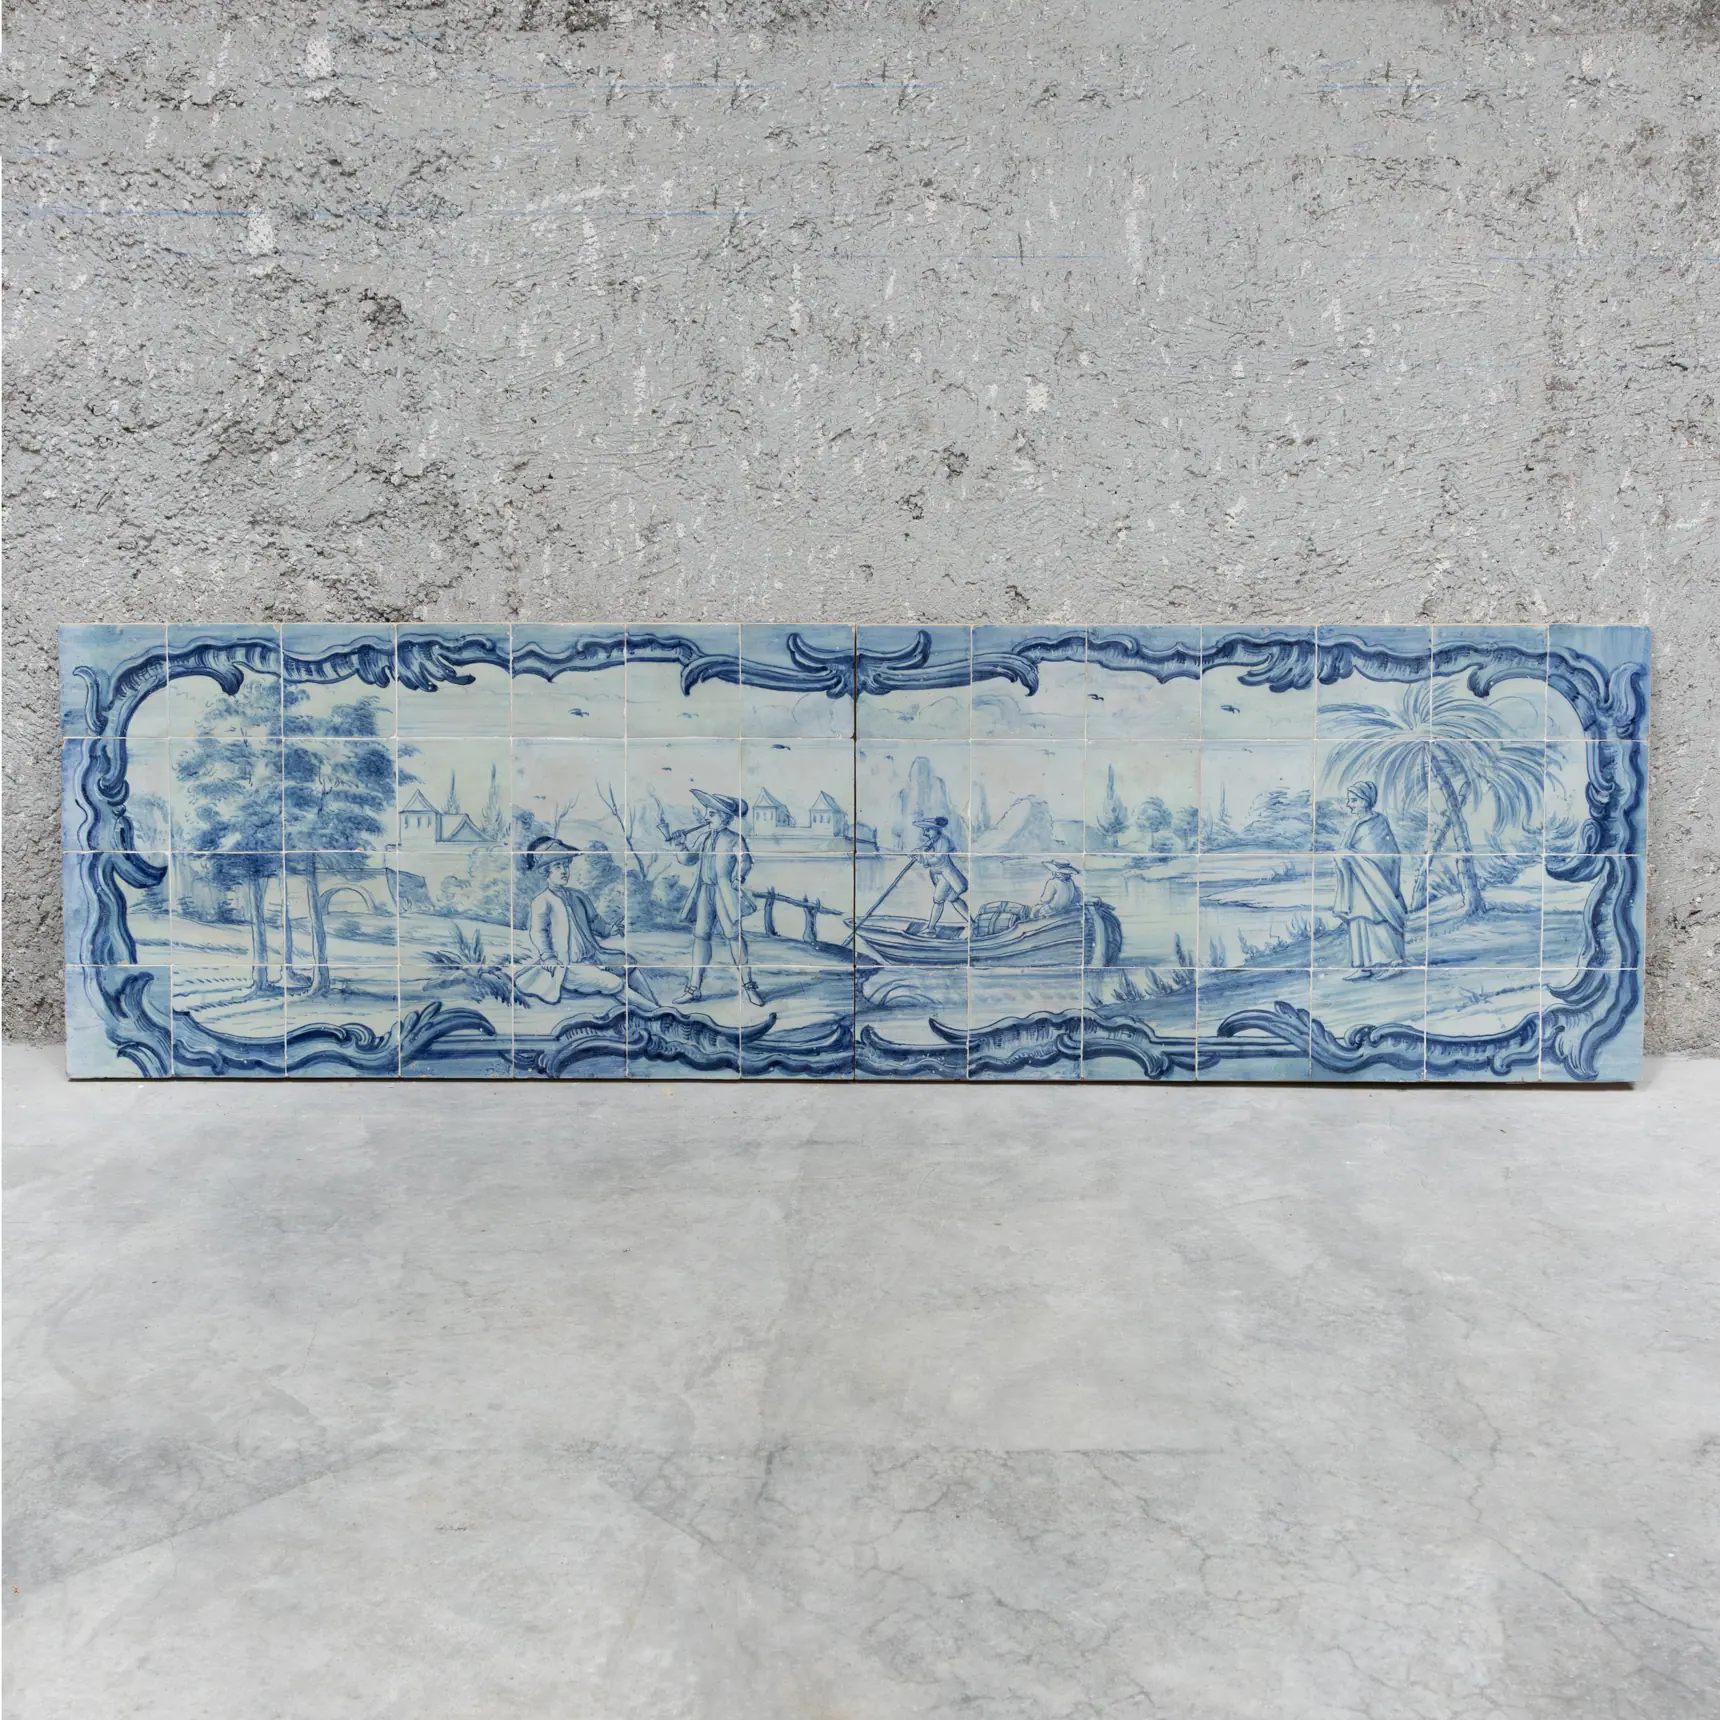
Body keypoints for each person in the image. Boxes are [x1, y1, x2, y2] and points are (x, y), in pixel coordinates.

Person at [514, 837, 654, 1006]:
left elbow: (594, 921)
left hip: (594, 956)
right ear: (546, 872)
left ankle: (658, 1007)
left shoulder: (578, 895)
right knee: (614, 983)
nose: (564, 871)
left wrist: (609, 930)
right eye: (557, 867)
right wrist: (548, 957)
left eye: (565, 865)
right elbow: (538, 932)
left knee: (628, 963)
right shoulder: (542, 900)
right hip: (568, 966)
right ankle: (653, 1012)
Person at [670, 790, 764, 1006]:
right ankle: (693, 989)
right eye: (707, 813)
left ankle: (749, 988)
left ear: (725, 817)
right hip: (705, 892)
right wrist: (680, 844)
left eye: (711, 814)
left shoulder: (734, 839)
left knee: (734, 937)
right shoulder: (704, 838)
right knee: (701, 937)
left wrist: (738, 878)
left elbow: (745, 861)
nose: (706, 817)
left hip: (724, 893)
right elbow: (688, 859)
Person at [1331, 781, 1408, 979]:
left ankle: (1392, 963)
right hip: (1358, 884)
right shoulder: (1355, 826)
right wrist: (1344, 857)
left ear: (1365, 801)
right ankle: (1364, 965)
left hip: (1376, 884)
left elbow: (1385, 856)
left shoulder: (1378, 824)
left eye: (1354, 800)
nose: (1349, 804)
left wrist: (1353, 856)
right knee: (1359, 919)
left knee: (1379, 919)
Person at [912, 814, 969, 929]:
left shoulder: (943, 841)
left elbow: (938, 859)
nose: (925, 833)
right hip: (938, 876)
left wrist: (922, 858)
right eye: (924, 830)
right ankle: (972, 923)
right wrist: (915, 852)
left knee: (938, 900)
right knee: (953, 898)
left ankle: (930, 929)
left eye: (927, 830)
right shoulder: (933, 840)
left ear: (936, 829)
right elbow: (923, 849)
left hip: (946, 876)